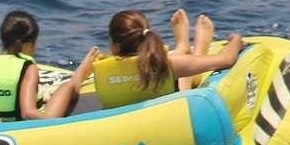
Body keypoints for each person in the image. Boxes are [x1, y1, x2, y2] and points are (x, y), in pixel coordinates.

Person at [90, 8, 245, 109]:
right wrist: (236, 40)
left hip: (130, 127)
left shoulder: (101, 71)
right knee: (179, 71)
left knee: (176, 66)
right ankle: (197, 50)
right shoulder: (164, 64)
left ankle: (185, 46)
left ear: (114, 45)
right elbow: (225, 59)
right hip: (171, 115)